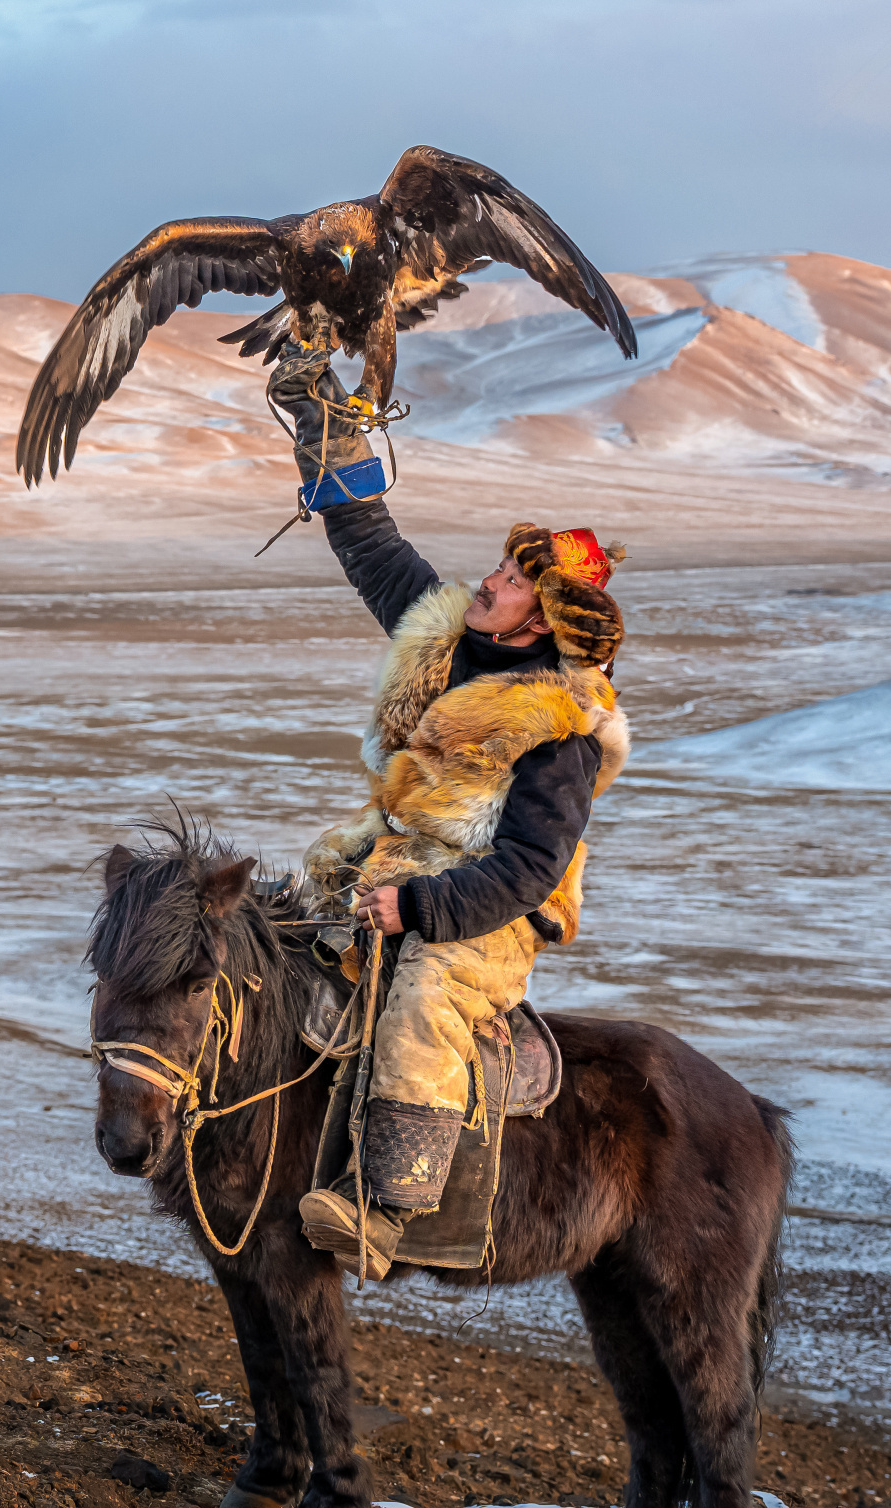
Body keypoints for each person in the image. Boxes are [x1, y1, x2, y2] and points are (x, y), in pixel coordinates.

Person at [270, 348, 633, 1279]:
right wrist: (330, 446)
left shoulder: (562, 731)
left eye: (513, 580)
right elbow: (374, 547)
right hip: (391, 859)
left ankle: (388, 1208)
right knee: (267, 925)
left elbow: (529, 869)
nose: (489, 581)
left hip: (486, 913)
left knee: (427, 997)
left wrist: (423, 910)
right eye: (499, 568)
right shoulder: (446, 637)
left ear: (543, 620)